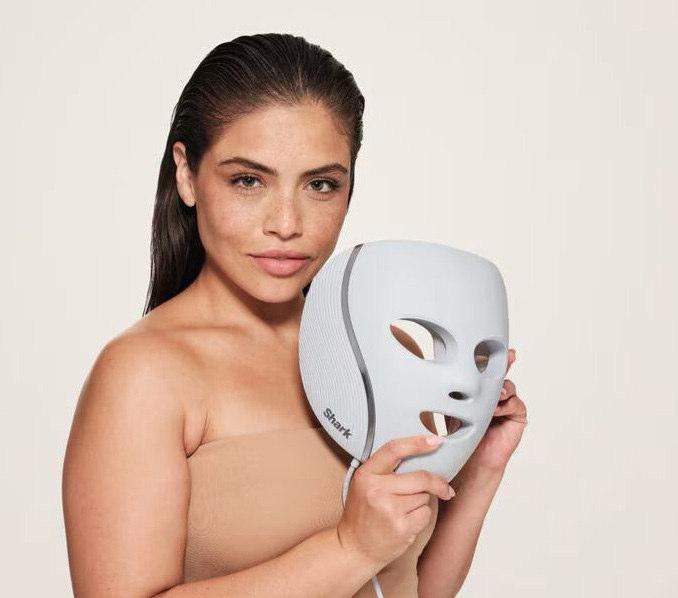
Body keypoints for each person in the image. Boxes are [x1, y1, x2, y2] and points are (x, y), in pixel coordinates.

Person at [61, 33, 527, 597]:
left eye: (320, 184)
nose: (287, 223)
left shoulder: (379, 349)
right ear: (186, 174)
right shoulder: (145, 373)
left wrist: (476, 471)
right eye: (248, 180)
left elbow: (403, 587)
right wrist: (349, 548)